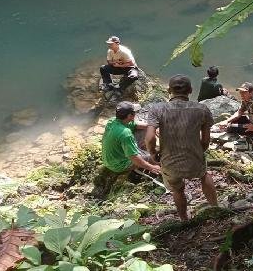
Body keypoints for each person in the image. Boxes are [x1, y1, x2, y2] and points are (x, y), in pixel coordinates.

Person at [145, 75, 218, 220]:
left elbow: (150, 138)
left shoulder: (157, 109)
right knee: (204, 175)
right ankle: (216, 208)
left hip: (170, 162)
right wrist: (199, 151)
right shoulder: (201, 109)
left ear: (169, 90)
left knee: (177, 190)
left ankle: (184, 219)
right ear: (190, 90)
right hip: (194, 159)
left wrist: (153, 153)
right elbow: (205, 140)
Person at [92, 101, 160, 199]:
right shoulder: (125, 133)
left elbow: (135, 125)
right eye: (134, 112)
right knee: (156, 157)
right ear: (130, 116)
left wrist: (153, 127)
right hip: (120, 164)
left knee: (144, 129)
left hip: (110, 159)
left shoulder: (112, 121)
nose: (135, 114)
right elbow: (134, 158)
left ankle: (142, 150)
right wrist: (151, 167)